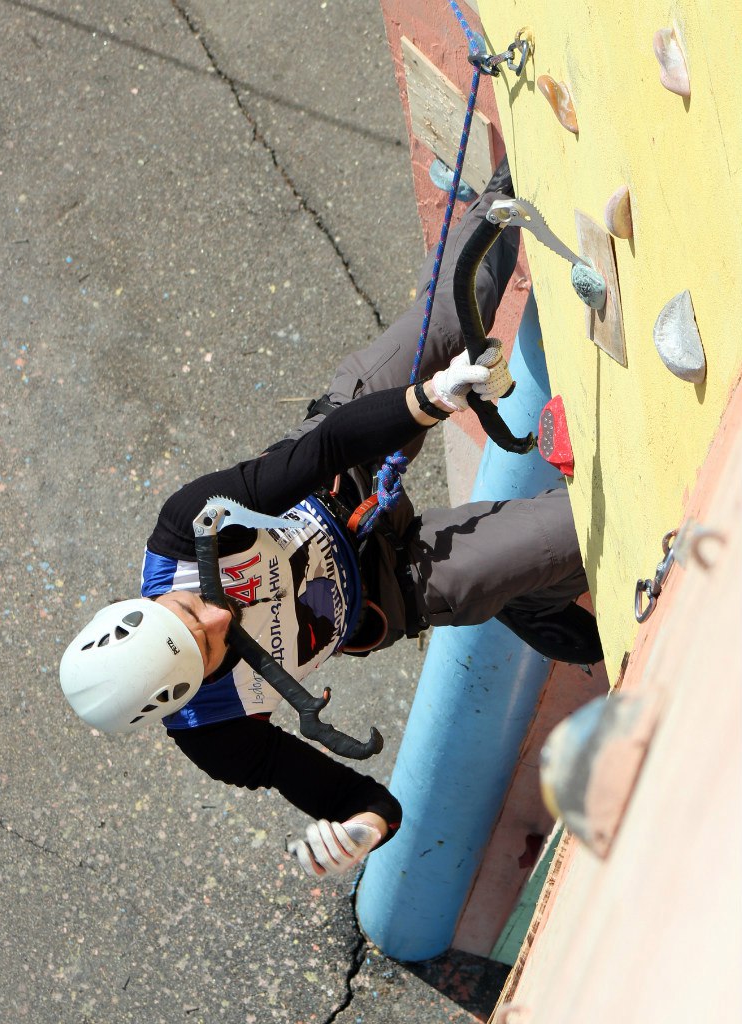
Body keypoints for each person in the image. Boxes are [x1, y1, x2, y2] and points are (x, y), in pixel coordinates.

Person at [60, 160, 601, 880]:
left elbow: (328, 447)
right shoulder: (220, 741)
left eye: (190, 611)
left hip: (340, 474)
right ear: (186, 698)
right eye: (208, 651)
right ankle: (524, 593)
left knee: (452, 313)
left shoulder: (188, 525)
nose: (221, 619)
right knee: (571, 536)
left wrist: (432, 398)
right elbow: (369, 800)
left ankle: (519, 174)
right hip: (393, 582)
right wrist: (360, 830)